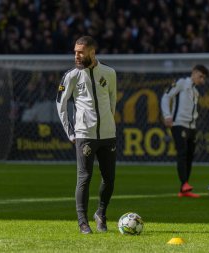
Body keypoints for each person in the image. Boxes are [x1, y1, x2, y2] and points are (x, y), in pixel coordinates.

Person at [56, 36, 117, 234]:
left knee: (109, 178)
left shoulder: (109, 73)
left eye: (80, 52)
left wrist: (109, 122)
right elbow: (61, 104)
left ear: (91, 52)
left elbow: (112, 99)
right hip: (84, 134)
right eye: (75, 52)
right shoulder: (71, 76)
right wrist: (71, 131)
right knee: (84, 177)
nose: (77, 56)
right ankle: (83, 222)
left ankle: (101, 213)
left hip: (108, 134)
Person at [160, 65, 209, 198]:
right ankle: (184, 183)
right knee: (182, 153)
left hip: (191, 126)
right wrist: (167, 115)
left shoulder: (195, 92)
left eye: (204, 78)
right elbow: (166, 96)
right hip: (179, 124)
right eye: (201, 76)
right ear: (194, 73)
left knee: (190, 155)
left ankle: (184, 189)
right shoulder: (182, 83)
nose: (202, 80)